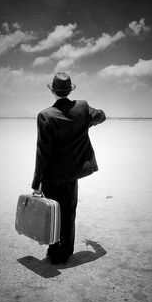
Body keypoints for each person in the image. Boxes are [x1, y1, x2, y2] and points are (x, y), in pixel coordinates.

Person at [31, 72, 106, 264]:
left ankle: (55, 252)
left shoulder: (45, 116)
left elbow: (42, 153)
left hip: (52, 176)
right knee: (69, 211)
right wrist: (87, 122)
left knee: (53, 213)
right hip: (72, 174)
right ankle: (67, 251)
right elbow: (102, 116)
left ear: (53, 91)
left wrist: (36, 182)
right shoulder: (82, 108)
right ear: (69, 89)